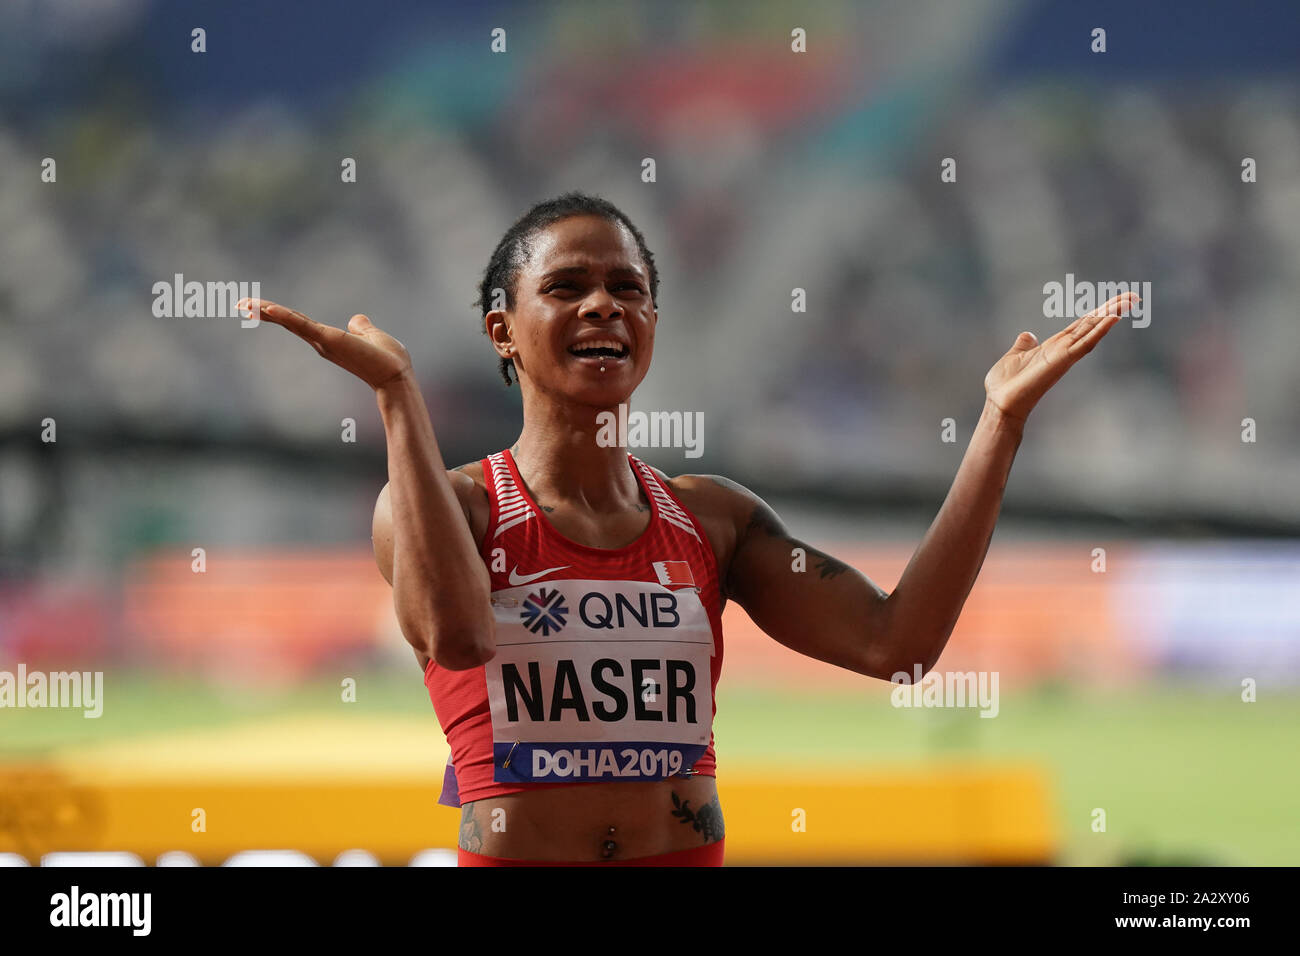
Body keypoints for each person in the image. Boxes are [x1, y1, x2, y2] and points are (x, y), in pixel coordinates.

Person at [236, 192, 1135, 866]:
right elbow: (461, 639)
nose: (603, 306)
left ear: (653, 325)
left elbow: (896, 643)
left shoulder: (710, 517)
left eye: (628, 289)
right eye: (568, 287)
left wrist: (999, 424)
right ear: (501, 331)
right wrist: (399, 397)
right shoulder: (449, 507)